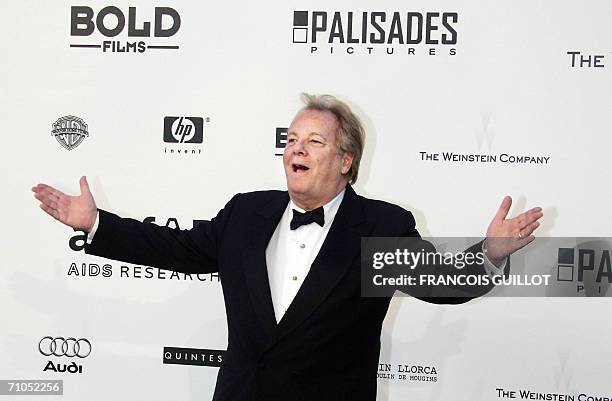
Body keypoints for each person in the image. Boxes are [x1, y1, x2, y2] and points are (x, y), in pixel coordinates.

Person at [32, 94, 542, 401]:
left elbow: (441, 284)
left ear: (346, 161)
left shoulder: (377, 227)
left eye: (314, 142)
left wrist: (491, 252)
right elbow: (175, 248)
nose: (296, 148)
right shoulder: (248, 213)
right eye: (292, 139)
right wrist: (97, 224)